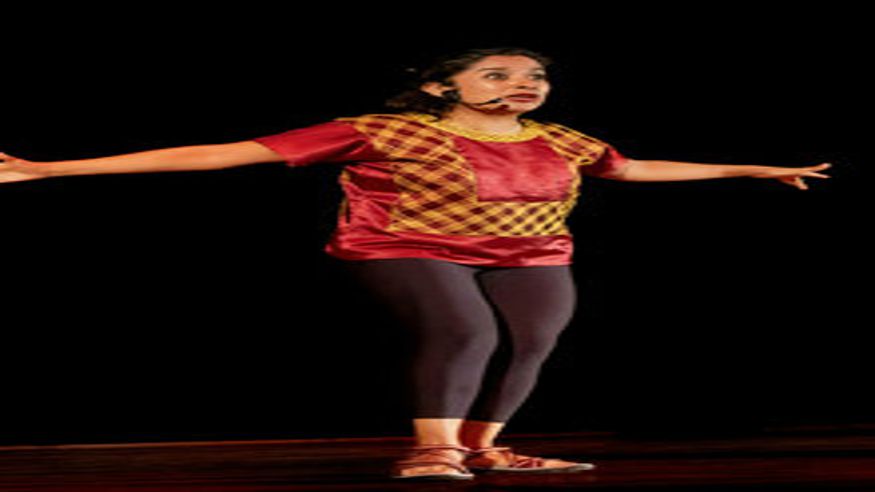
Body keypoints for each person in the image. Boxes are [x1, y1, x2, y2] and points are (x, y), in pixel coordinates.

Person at [0, 47, 832, 481]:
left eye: (533, 75)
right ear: (441, 86)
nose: (522, 84)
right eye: (495, 74)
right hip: (404, 244)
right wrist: (51, 169)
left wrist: (748, 169)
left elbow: (635, 168)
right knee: (464, 331)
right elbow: (223, 153)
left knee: (533, 342)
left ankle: (485, 447)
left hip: (533, 249)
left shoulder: (562, 139)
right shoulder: (380, 130)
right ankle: (429, 450)